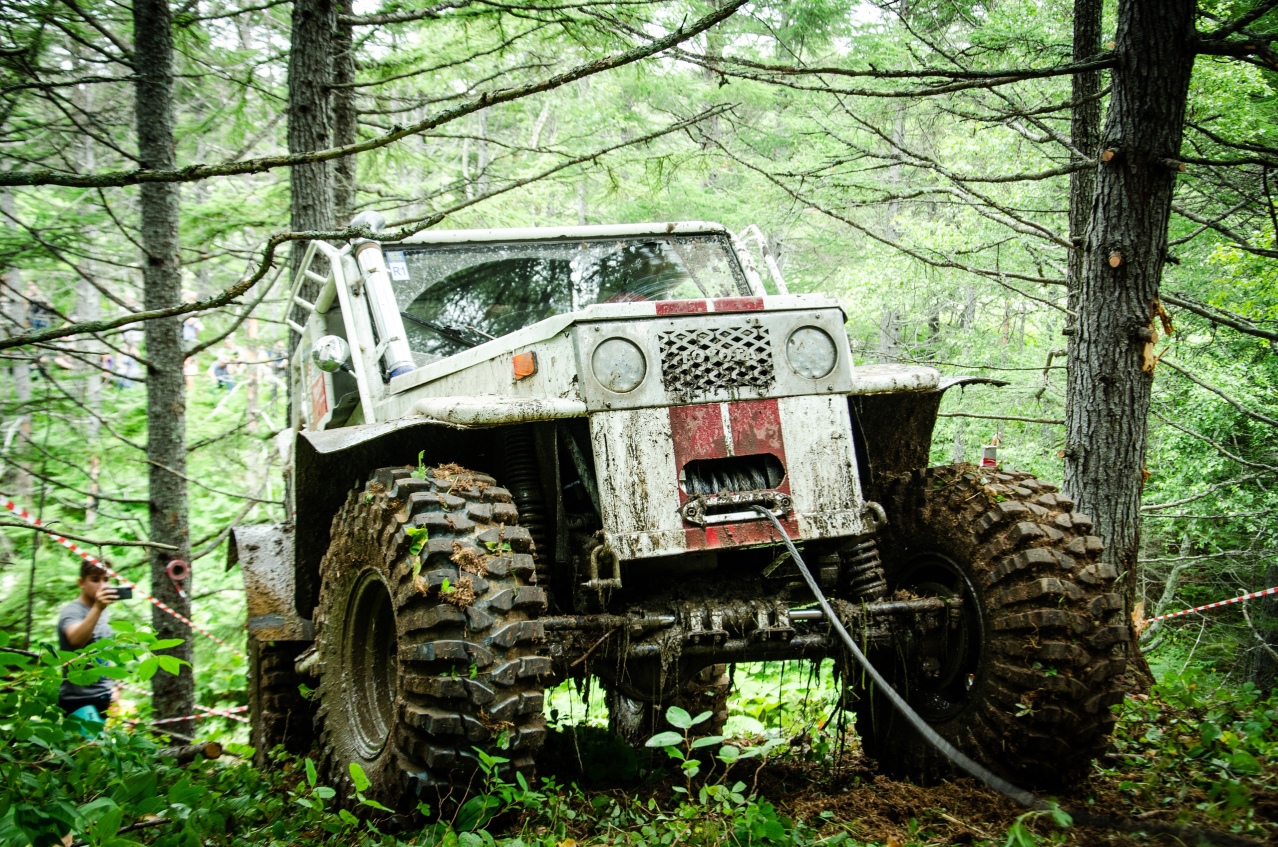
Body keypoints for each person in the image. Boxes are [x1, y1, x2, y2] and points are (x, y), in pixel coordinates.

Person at [57, 562, 119, 719]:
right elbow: (76, 640)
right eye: (95, 579)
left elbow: (105, 652)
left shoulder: (102, 609)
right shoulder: (72, 611)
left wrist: (116, 685)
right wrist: (97, 608)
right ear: (81, 582)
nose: (102, 585)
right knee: (88, 744)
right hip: (79, 700)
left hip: (104, 696)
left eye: (106, 579)